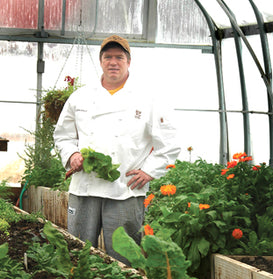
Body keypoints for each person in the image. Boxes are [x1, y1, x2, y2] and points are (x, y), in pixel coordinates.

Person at [54, 34, 180, 265]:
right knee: (79, 253)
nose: (113, 62)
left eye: (119, 57)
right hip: (84, 188)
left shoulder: (147, 99)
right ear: (101, 61)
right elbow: (62, 135)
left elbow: (169, 141)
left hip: (125, 190)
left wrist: (150, 170)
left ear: (128, 62)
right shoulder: (80, 96)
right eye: (108, 57)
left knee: (124, 258)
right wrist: (72, 154)